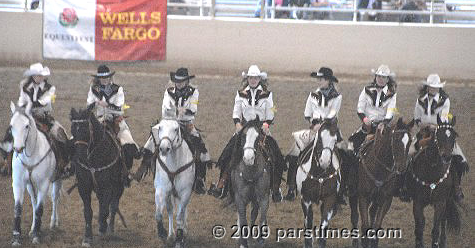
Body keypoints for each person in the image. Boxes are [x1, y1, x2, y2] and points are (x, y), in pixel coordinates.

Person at [208, 65, 286, 202]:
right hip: (244, 129)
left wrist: (267, 124)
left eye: (255, 78)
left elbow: (272, 111)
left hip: (261, 130)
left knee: (277, 156)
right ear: (247, 79)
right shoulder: (240, 94)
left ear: (259, 79)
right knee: (228, 153)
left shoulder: (268, 94)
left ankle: (275, 188)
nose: (253, 80)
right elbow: (236, 112)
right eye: (251, 77)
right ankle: (222, 183)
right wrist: (237, 123)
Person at [135, 68, 211, 194]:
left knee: (201, 148)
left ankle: (199, 179)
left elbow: (193, 108)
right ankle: (143, 168)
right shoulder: (168, 91)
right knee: (152, 138)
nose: (178, 83)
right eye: (177, 81)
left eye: (181, 81)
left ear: (187, 81)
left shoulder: (194, 92)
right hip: (169, 122)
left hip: (186, 124)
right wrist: (178, 110)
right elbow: (165, 109)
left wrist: (180, 110)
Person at [0, 63, 69, 178]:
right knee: (11, 132)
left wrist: (29, 104)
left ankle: (63, 164)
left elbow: (44, 101)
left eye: (40, 75)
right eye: (36, 75)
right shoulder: (24, 87)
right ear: (32, 76)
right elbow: (21, 101)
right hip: (26, 115)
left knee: (59, 134)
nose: (38, 78)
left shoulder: (50, 88)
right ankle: (7, 161)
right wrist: (22, 108)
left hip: (43, 117)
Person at [285, 67, 343, 201]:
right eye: (318, 79)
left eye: (321, 79)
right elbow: (307, 113)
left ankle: (341, 189)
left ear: (328, 80)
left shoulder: (337, 96)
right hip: (314, 128)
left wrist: (321, 125)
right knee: (295, 150)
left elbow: (333, 113)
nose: (319, 81)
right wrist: (313, 123)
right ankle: (291, 187)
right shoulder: (312, 95)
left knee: (344, 152)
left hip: (330, 130)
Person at [409, 74, 468, 202]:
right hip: (424, 132)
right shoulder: (420, 99)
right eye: (431, 87)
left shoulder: (445, 100)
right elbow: (417, 118)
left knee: (459, 157)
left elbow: (444, 117)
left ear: (439, 88)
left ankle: (457, 188)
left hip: (440, 132)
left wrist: (435, 126)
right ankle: (407, 186)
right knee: (409, 152)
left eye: (436, 87)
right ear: (428, 87)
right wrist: (423, 125)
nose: (433, 89)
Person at [86, 65, 140, 185]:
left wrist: (106, 105)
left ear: (110, 78)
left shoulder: (118, 89)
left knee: (128, 144)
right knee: (82, 140)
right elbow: (88, 105)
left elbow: (119, 106)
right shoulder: (93, 89)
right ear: (98, 78)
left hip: (116, 120)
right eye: (102, 78)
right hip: (99, 120)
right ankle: (80, 171)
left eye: (106, 77)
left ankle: (126, 172)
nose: (104, 79)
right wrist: (95, 102)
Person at [348, 65, 397, 155]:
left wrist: (383, 123)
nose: (380, 79)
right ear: (375, 77)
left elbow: (390, 112)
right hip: (368, 125)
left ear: (387, 79)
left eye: (383, 77)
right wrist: (365, 119)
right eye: (378, 76)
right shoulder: (366, 90)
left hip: (382, 127)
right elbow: (360, 108)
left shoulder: (392, 94)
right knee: (352, 142)